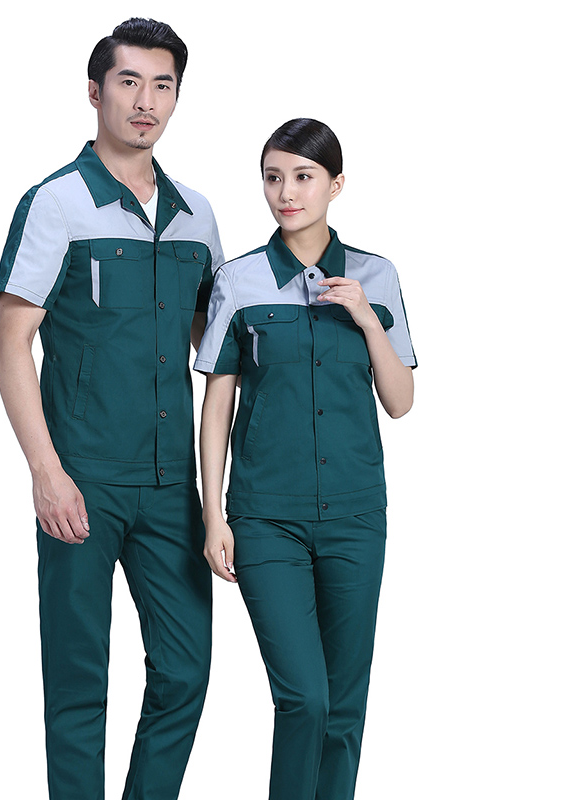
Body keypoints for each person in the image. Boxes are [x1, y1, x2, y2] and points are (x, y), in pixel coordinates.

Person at [0, 18, 224, 800]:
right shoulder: (55, 203)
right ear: (95, 93)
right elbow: (9, 345)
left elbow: (215, 348)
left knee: (186, 670)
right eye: (129, 82)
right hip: (82, 477)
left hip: (170, 486)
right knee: (78, 681)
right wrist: (46, 471)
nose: (145, 101)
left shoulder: (197, 216)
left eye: (162, 85)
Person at [195, 118, 416, 800]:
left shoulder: (376, 276)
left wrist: (367, 319)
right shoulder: (239, 281)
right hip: (266, 520)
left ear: (335, 184)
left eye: (303, 176)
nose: (285, 193)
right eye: (273, 177)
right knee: (304, 698)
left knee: (344, 708)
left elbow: (401, 401)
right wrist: (213, 516)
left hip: (356, 517)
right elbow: (217, 404)